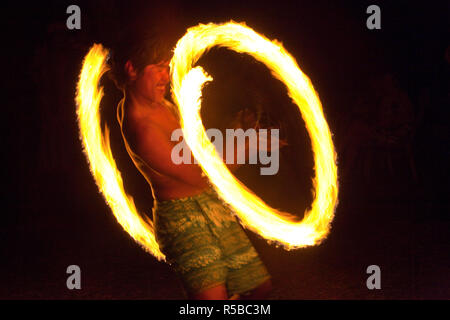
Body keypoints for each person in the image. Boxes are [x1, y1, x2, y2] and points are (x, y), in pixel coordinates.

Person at [109, 28, 272, 300]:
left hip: (209, 204)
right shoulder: (142, 129)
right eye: (159, 68)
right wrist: (247, 146)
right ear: (131, 69)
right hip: (182, 219)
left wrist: (236, 131)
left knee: (259, 289)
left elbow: (196, 149)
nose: (167, 76)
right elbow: (200, 175)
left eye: (167, 67)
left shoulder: (161, 105)